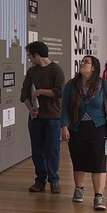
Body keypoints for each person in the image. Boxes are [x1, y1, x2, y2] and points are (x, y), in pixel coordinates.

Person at [62, 55, 107, 211]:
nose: (82, 64)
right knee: (78, 159)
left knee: (99, 161)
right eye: (82, 62)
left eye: (86, 62)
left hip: (98, 127)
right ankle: (79, 189)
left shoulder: (104, 85)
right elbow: (65, 107)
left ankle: (98, 196)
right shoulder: (72, 85)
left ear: (94, 67)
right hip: (77, 127)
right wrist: (64, 126)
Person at [20, 41, 66, 193]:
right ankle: (40, 180)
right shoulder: (31, 72)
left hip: (53, 117)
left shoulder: (56, 69)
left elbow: (59, 92)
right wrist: (30, 108)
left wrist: (40, 92)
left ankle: (54, 180)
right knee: (37, 151)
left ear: (36, 54)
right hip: (36, 119)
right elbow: (24, 94)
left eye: (30, 55)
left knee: (52, 150)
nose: (29, 58)